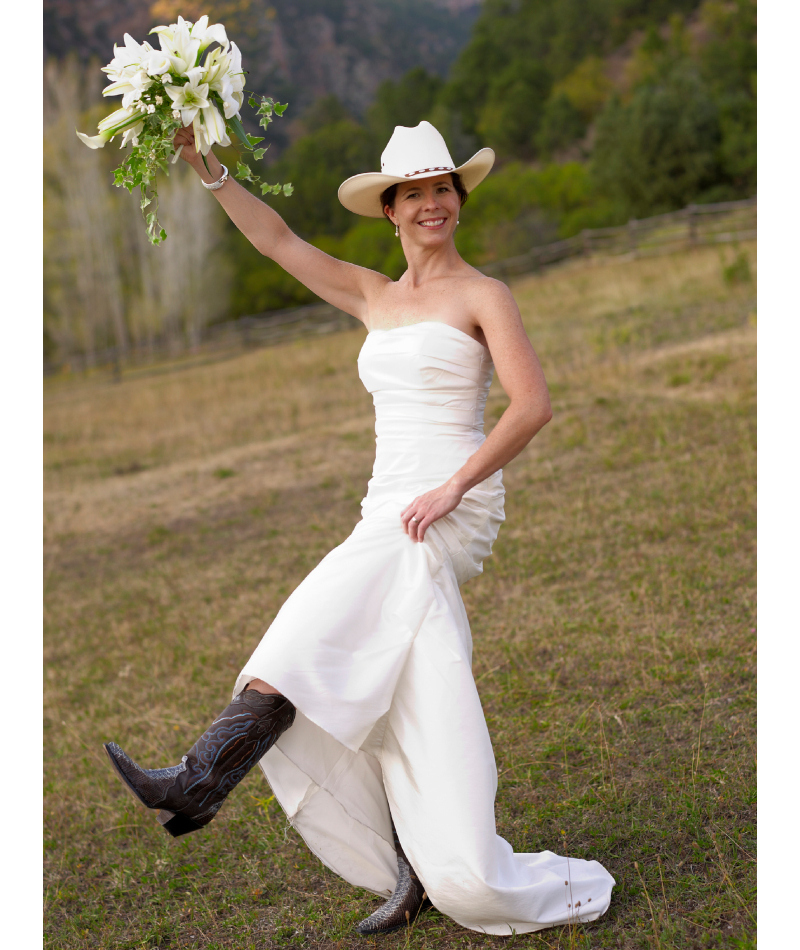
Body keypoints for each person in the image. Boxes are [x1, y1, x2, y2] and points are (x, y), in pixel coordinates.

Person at [105, 121, 615, 936]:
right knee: (384, 680)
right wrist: (210, 172)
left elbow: (533, 406)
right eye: (414, 193)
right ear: (390, 210)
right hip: (386, 507)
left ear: (459, 199)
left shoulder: (486, 296)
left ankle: (200, 780)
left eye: (443, 188)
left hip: (447, 505)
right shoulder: (375, 295)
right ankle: (412, 868)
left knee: (307, 628)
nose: (432, 203)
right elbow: (277, 241)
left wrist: (454, 488)